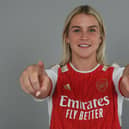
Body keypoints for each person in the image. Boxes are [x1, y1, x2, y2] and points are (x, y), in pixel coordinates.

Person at [20, 5, 129, 129]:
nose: (84, 36)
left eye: (92, 30)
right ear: (66, 37)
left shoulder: (114, 75)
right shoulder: (55, 75)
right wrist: (36, 81)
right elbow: (44, 87)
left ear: (101, 38)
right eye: (77, 30)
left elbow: (125, 82)